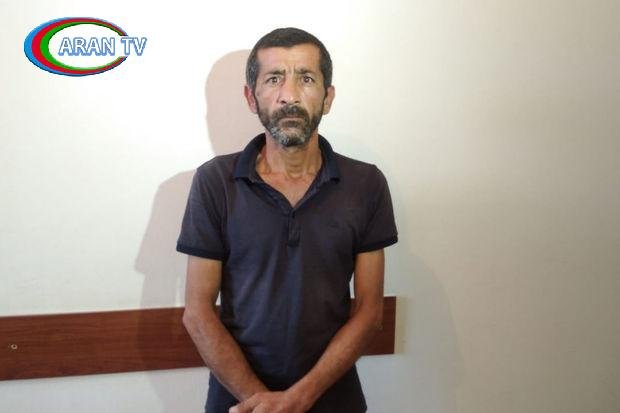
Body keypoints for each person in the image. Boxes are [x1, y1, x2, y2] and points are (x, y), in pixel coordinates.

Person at [177, 27, 398, 413]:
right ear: (251, 97)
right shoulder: (214, 182)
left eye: (306, 79)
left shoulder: (366, 184)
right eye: (274, 79)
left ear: (328, 97)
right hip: (238, 400)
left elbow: (370, 312)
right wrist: (260, 402)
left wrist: (300, 398)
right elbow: (197, 313)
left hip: (334, 399)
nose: (290, 95)